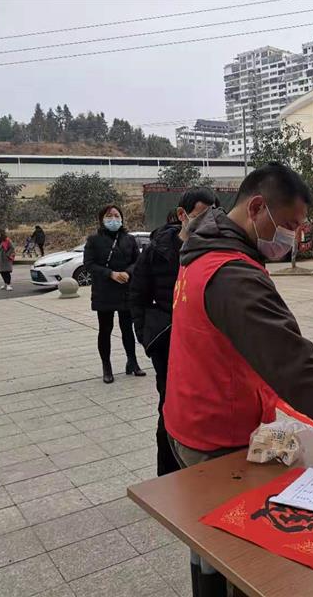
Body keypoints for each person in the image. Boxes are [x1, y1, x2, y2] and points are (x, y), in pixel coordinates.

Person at [164, 163, 313, 597]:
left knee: (209, 541)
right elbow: (295, 364)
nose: (294, 236)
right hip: (217, 435)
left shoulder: (204, 251)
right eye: (290, 225)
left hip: (194, 418)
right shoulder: (231, 273)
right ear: (257, 207)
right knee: (242, 554)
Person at [129, 187, 218, 477]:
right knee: (169, 407)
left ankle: (200, 470)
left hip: (203, 345)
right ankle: (167, 476)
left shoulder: (214, 250)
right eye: (201, 215)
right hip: (167, 343)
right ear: (182, 214)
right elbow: (137, 296)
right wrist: (147, 336)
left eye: (214, 215)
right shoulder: (157, 250)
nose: (208, 222)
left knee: (202, 407)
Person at [83, 204, 145, 384]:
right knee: (105, 329)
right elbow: (89, 264)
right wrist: (110, 274)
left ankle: (132, 362)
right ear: (102, 219)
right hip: (104, 291)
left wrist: (128, 272)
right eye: (109, 216)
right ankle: (107, 366)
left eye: (117, 216)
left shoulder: (129, 239)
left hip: (125, 288)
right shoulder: (94, 240)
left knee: (127, 328)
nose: (114, 219)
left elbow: (137, 261)